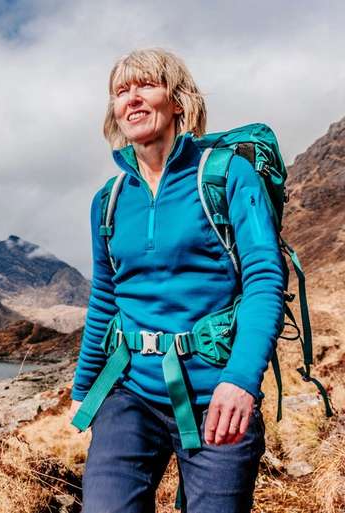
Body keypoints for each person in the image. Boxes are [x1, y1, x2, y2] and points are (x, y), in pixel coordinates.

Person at [69, 48, 284, 513]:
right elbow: (105, 296)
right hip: (130, 391)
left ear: (178, 100)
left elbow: (265, 279)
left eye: (145, 85)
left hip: (216, 392)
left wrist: (242, 381)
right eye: (121, 91)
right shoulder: (108, 200)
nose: (132, 98)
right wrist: (83, 390)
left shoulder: (226, 176)